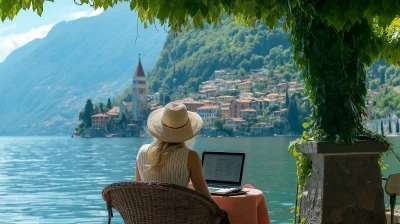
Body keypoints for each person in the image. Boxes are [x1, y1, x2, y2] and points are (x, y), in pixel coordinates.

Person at [135, 102, 211, 197]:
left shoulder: (142, 151)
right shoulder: (190, 157)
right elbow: (207, 199)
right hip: (178, 212)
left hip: (146, 211)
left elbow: (138, 191)